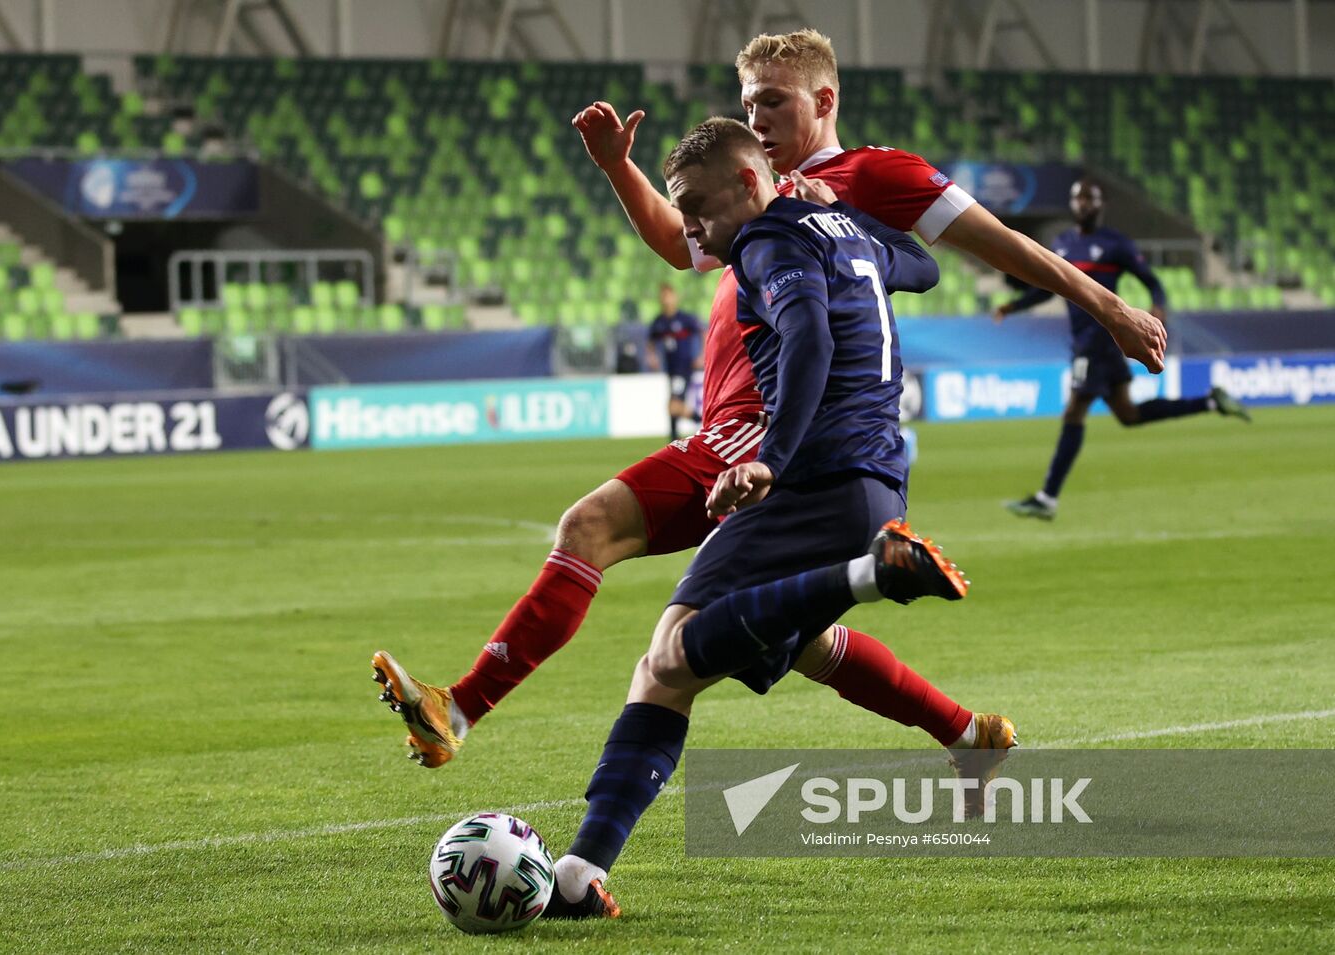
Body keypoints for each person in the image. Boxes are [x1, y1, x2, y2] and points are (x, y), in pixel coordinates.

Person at [369, 27, 1155, 771]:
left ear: (825, 101)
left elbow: (994, 246)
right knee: (801, 638)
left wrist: (1111, 309)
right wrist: (618, 168)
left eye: (774, 100)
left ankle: (464, 713)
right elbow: (681, 245)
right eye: (748, 102)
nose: (758, 115)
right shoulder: (749, 192)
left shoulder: (875, 175)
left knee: (604, 544)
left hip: (763, 433)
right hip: (746, 429)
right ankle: (967, 732)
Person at [543, 119, 1013, 919]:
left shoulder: (767, 243)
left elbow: (808, 337)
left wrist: (772, 459)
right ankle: (971, 737)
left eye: (695, 203)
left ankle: (583, 868)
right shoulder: (838, 230)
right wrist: (853, 219)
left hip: (815, 479)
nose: (686, 223)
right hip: (877, 486)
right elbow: (925, 268)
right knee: (805, 643)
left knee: (669, 658)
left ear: (752, 183)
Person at [996, 178, 1251, 520]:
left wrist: (1157, 306)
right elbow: (1046, 288)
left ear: (1100, 206)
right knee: (1127, 414)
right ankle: (1209, 401)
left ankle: (1047, 498)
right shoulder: (1063, 245)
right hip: (1090, 341)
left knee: (1074, 411)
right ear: (1072, 205)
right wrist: (1013, 306)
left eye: (1090, 199)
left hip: (1098, 340)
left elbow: (1152, 281)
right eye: (1078, 199)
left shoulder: (1114, 244)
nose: (1084, 204)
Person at [646, 282, 703, 439]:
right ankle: (673, 438)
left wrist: (701, 355)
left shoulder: (684, 319)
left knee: (673, 406)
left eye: (668, 296)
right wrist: (652, 357)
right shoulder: (659, 322)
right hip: (670, 369)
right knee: (673, 403)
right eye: (663, 296)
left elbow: (702, 332)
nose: (666, 300)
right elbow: (650, 342)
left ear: (675, 297)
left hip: (683, 367)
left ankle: (705, 421)